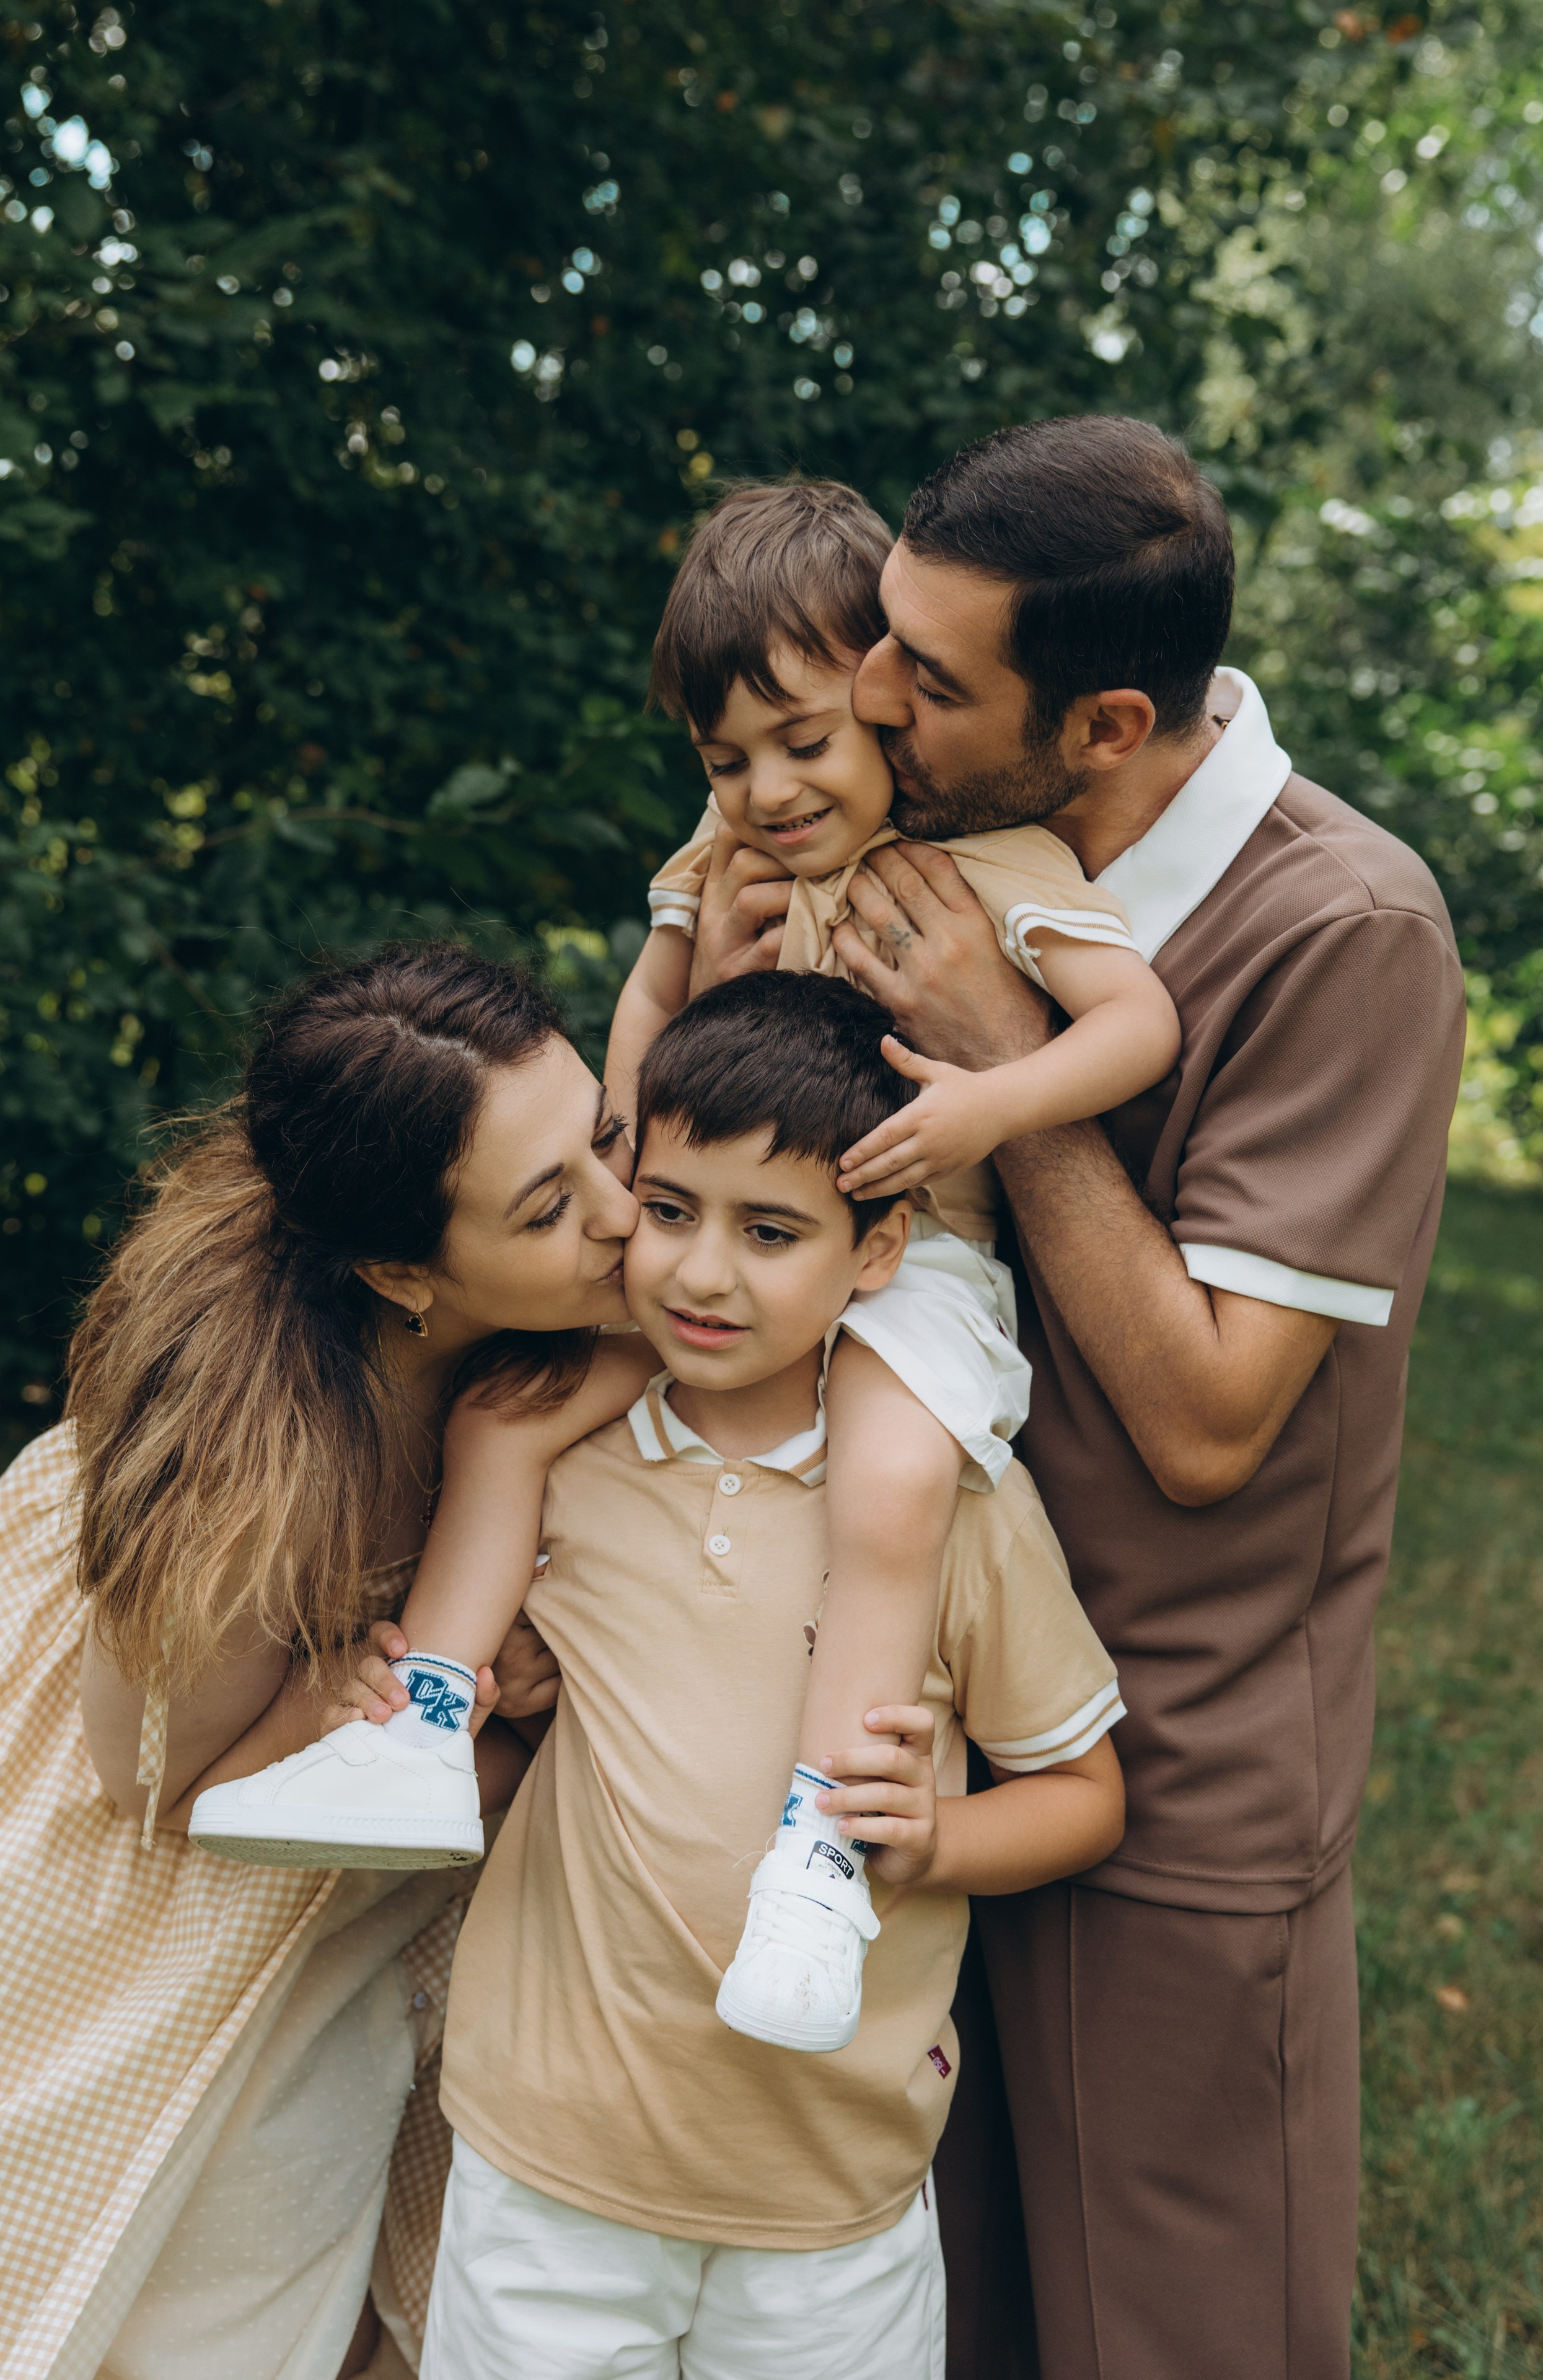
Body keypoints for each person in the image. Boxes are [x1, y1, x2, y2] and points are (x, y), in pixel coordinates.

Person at [677, 417, 1462, 2379]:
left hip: (1176, 1771)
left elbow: (1211, 1426)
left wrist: (1005, 1065)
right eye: (884, 636)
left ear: (1105, 725)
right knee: (942, 2313)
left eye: (929, 678)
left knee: (1168, 2330)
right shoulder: (922, 832)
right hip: (907, 1718)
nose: (872, 695)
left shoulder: (1345, 931)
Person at [198, 484, 1172, 2065]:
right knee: (509, 1416)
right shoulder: (721, 858)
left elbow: (1138, 1024)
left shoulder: (991, 865)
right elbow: (647, 1012)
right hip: (724, 1231)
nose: (767, 791)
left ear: (884, 701)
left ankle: (817, 1854)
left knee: (890, 1484)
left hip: (910, 1257)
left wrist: (990, 1101)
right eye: (726, 760)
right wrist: (640, 1172)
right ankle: (423, 1725)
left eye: (804, 741)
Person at [421, 970, 1127, 2380]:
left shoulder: (953, 1507)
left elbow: (1085, 1795)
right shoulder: (568, 1460)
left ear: (877, 1251)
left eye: (771, 1232)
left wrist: (938, 1841)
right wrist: (506, 1694)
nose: (699, 1274)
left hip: (827, 2194)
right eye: (668, 1210)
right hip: (550, 2165)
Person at [0, 945, 649, 2380]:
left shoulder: (556, 1312)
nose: (620, 1213)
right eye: (548, 1206)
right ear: (401, 1272)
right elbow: (159, 1790)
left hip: (387, 1862)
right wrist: (331, 1710)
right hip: (159, 1838)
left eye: (605, 1138)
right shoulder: (247, 1467)